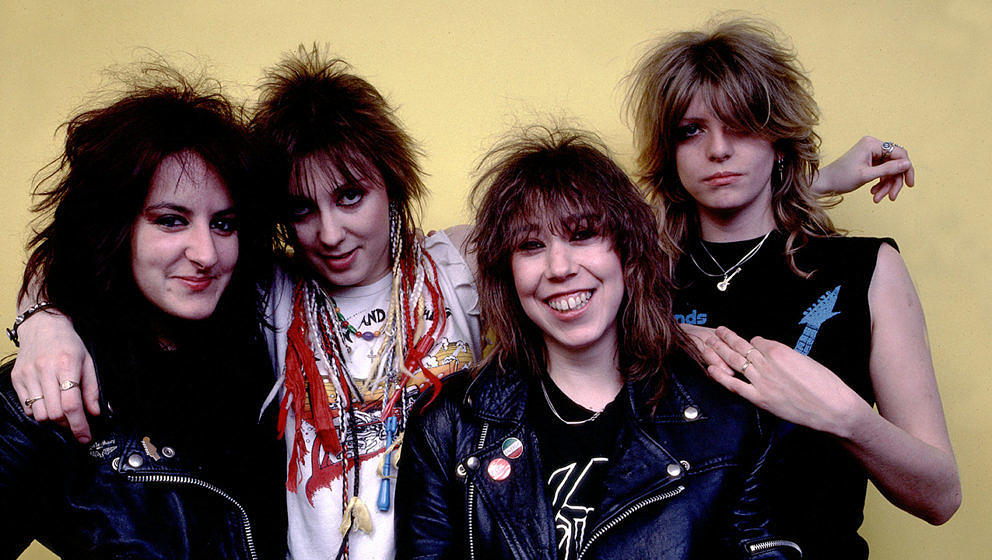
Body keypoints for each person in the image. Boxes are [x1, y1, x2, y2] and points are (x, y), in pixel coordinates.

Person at [626, 18, 960, 559]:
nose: (717, 150)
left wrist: (844, 417)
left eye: (741, 124)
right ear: (668, 153)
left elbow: (941, 496)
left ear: (780, 137)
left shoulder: (865, 269)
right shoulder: (638, 281)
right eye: (690, 130)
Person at [395, 127, 801, 560]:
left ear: (626, 249)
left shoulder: (729, 416)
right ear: (507, 274)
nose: (559, 267)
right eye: (531, 245)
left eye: (583, 234)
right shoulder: (449, 425)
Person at [0, 66, 285, 558]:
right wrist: (43, 321)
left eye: (224, 223)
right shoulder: (46, 392)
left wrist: (38, 313)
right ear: (115, 230)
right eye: (171, 221)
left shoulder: (272, 347)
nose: (206, 253)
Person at [250, 47, 482, 560]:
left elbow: (593, 250)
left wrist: (666, 330)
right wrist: (43, 322)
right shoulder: (277, 295)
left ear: (392, 185)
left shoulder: (457, 265)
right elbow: (109, 264)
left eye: (350, 196)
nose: (329, 233)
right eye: (302, 208)